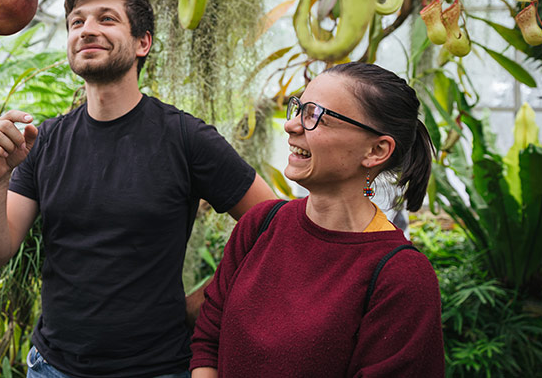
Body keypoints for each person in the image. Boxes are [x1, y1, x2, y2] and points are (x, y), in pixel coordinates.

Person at [0, 0, 275, 378]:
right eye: (77, 22)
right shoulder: (43, 140)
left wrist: (209, 299)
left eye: (106, 19)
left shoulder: (185, 138)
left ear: (142, 43)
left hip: (157, 367)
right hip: (53, 366)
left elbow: (274, 227)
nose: (87, 29)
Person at [190, 62, 445, 377]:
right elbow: (208, 340)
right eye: (298, 109)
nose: (291, 126)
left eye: (315, 115)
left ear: (376, 150)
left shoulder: (401, 276)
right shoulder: (260, 225)